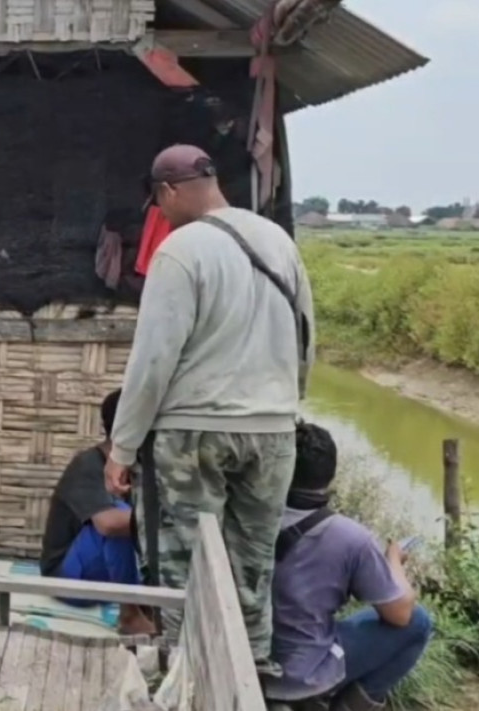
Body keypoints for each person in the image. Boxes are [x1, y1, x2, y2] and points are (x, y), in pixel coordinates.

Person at [104, 144, 316, 671]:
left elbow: (153, 360)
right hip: (273, 432)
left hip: (194, 432)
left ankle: (187, 677)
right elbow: (306, 336)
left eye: (158, 202)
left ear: (169, 191)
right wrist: (287, 402)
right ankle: (252, 675)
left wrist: (122, 448)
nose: (160, 212)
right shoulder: (278, 241)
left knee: (185, 567)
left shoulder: (179, 250)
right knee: (253, 567)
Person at [264, 422, 431, 711]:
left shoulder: (250, 518)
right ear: (330, 474)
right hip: (300, 676)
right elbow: (400, 615)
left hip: (253, 655)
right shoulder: (351, 538)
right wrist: (393, 560)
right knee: (419, 622)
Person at [40, 389, 154, 635]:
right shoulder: (88, 464)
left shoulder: (141, 466)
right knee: (119, 520)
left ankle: (145, 603)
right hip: (67, 579)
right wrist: (170, 519)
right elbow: (108, 524)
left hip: (104, 575)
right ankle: (130, 615)